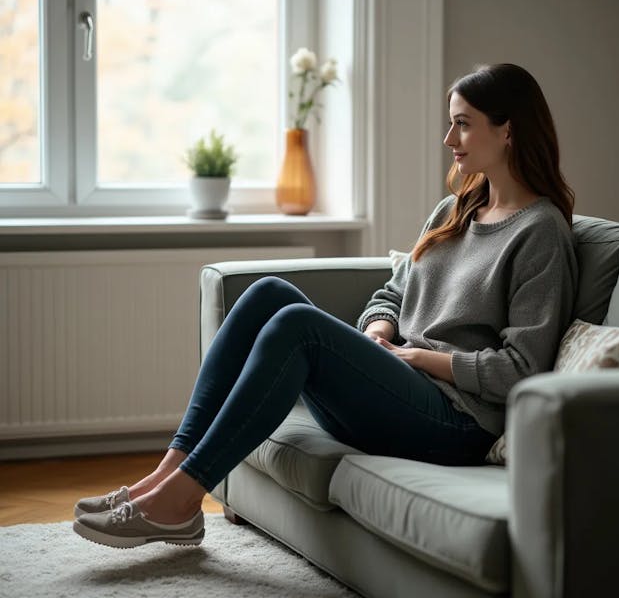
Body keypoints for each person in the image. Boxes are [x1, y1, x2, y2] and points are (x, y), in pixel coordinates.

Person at [72, 63, 578, 549]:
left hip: (455, 420)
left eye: (462, 125)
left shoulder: (540, 232)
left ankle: (182, 502)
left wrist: (420, 358)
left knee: (299, 325)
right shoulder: (454, 210)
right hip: (398, 386)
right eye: (450, 124)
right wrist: (379, 332)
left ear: (507, 131)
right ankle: (165, 476)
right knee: (268, 292)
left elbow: (522, 370)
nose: (449, 140)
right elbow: (392, 294)